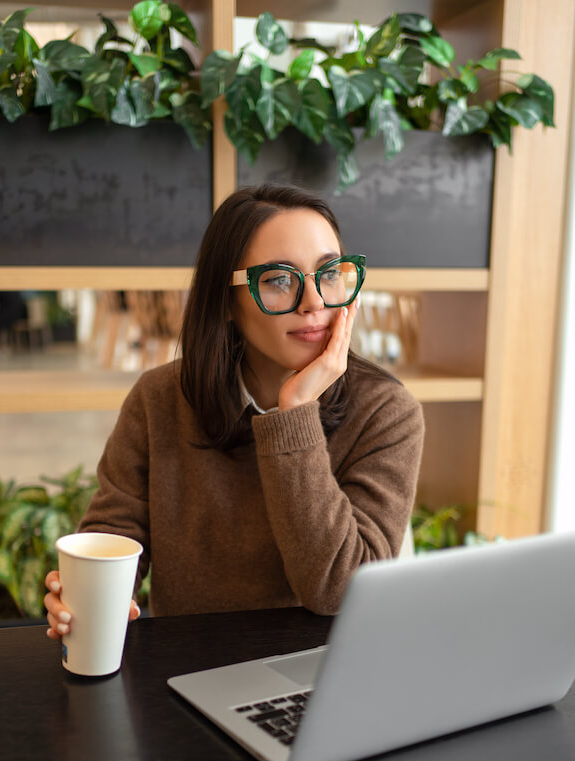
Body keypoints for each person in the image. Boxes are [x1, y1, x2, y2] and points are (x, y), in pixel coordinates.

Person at [45, 183, 424, 640]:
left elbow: (341, 591)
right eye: (280, 279)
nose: (315, 303)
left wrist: (295, 413)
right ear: (226, 300)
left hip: (320, 676)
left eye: (329, 274)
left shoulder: (387, 413)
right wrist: (87, 588)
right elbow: (115, 535)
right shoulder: (160, 399)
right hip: (183, 670)